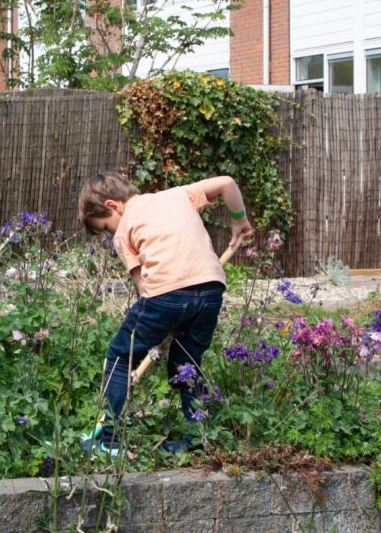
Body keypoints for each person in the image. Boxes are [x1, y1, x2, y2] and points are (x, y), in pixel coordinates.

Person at [77, 171, 254, 453]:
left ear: (113, 206)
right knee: (187, 363)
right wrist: (239, 220)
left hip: (165, 294)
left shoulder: (123, 233)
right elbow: (228, 183)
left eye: (107, 227)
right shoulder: (178, 194)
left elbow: (144, 288)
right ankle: (200, 436)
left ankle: (108, 440)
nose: (112, 232)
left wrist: (160, 325)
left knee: (121, 358)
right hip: (210, 290)